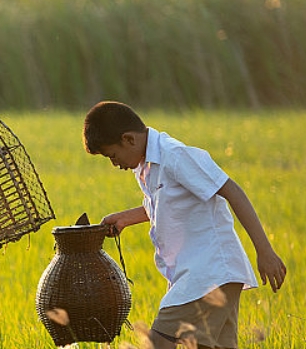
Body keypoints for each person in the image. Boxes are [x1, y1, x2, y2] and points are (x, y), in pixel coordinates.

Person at [82, 101, 287, 349]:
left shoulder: (175, 156)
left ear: (129, 140)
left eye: (112, 156)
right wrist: (125, 218)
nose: (114, 164)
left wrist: (265, 251)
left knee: (158, 341)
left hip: (208, 274)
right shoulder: (146, 167)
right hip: (207, 276)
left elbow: (232, 190)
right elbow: (166, 204)